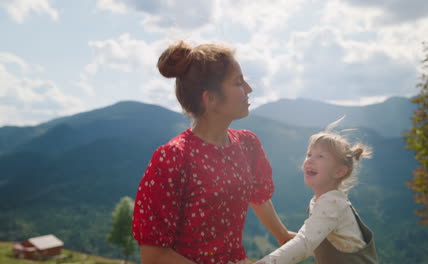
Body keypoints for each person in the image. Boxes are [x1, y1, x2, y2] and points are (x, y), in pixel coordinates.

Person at [132, 41, 295, 264]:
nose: (249, 89)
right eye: (238, 83)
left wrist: (282, 234)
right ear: (209, 99)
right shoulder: (173, 158)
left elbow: (256, 196)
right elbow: (154, 255)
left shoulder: (247, 144)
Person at [254, 122, 378, 264]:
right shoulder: (322, 201)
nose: (310, 160)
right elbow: (319, 242)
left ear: (339, 171)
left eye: (320, 156)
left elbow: (305, 243)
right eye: (309, 154)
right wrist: (290, 237)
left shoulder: (332, 203)